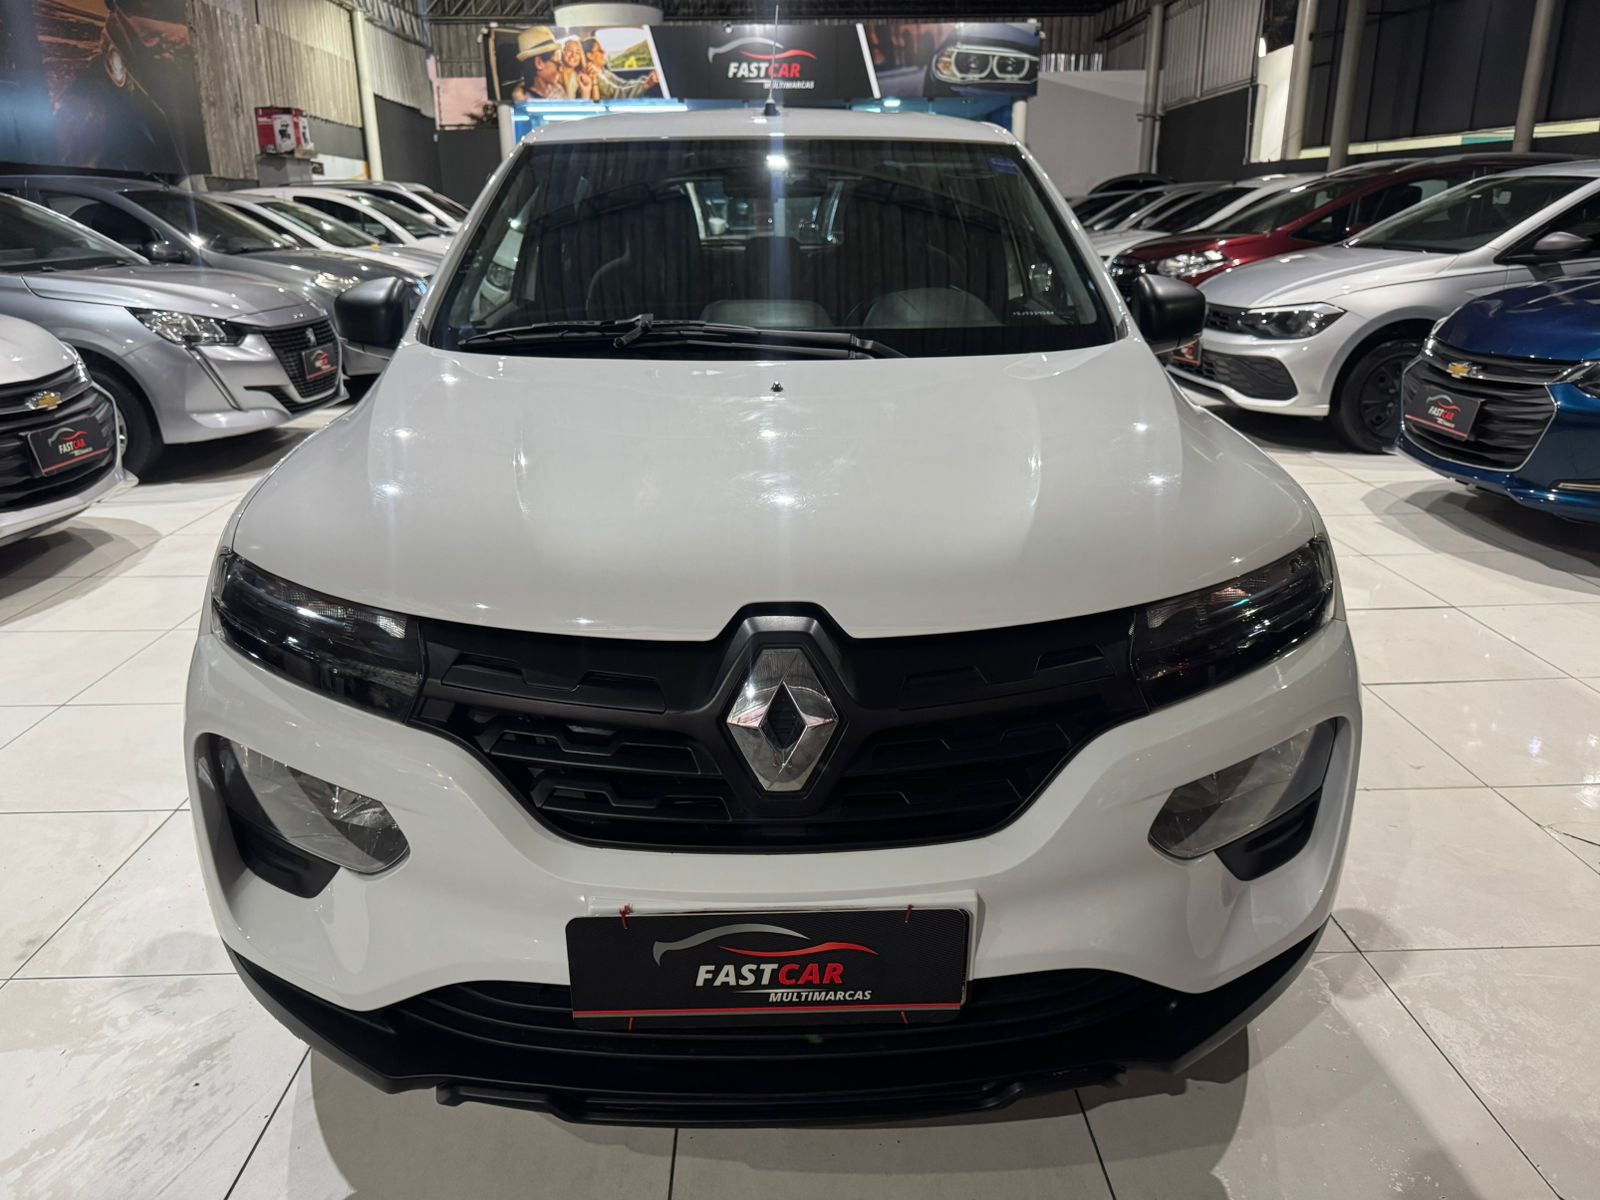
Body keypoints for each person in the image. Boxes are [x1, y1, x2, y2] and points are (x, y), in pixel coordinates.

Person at [581, 37, 659, 100]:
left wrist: (645, 80)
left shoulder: (602, 71)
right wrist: (647, 84)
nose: (604, 52)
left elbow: (622, 84)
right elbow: (616, 94)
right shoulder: (593, 75)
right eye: (600, 50)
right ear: (590, 55)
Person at [514, 26, 565, 100]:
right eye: (557, 64)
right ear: (539, 63)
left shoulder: (558, 89)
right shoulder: (524, 99)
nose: (561, 69)